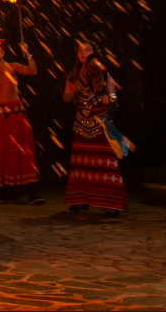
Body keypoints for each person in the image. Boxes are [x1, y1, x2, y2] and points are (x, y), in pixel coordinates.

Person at [62, 40, 127, 216]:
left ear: (95, 53)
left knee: (106, 163)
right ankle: (81, 200)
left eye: (87, 50)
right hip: (81, 124)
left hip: (100, 125)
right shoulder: (74, 75)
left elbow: (115, 103)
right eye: (80, 50)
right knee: (80, 163)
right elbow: (66, 98)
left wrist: (110, 101)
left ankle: (112, 204)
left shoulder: (104, 75)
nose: (83, 53)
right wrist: (74, 92)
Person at [0, 35, 43, 205]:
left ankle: (31, 193)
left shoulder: (12, 67)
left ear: (3, 51)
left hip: (15, 116)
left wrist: (27, 53)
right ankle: (5, 192)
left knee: (21, 153)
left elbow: (33, 71)